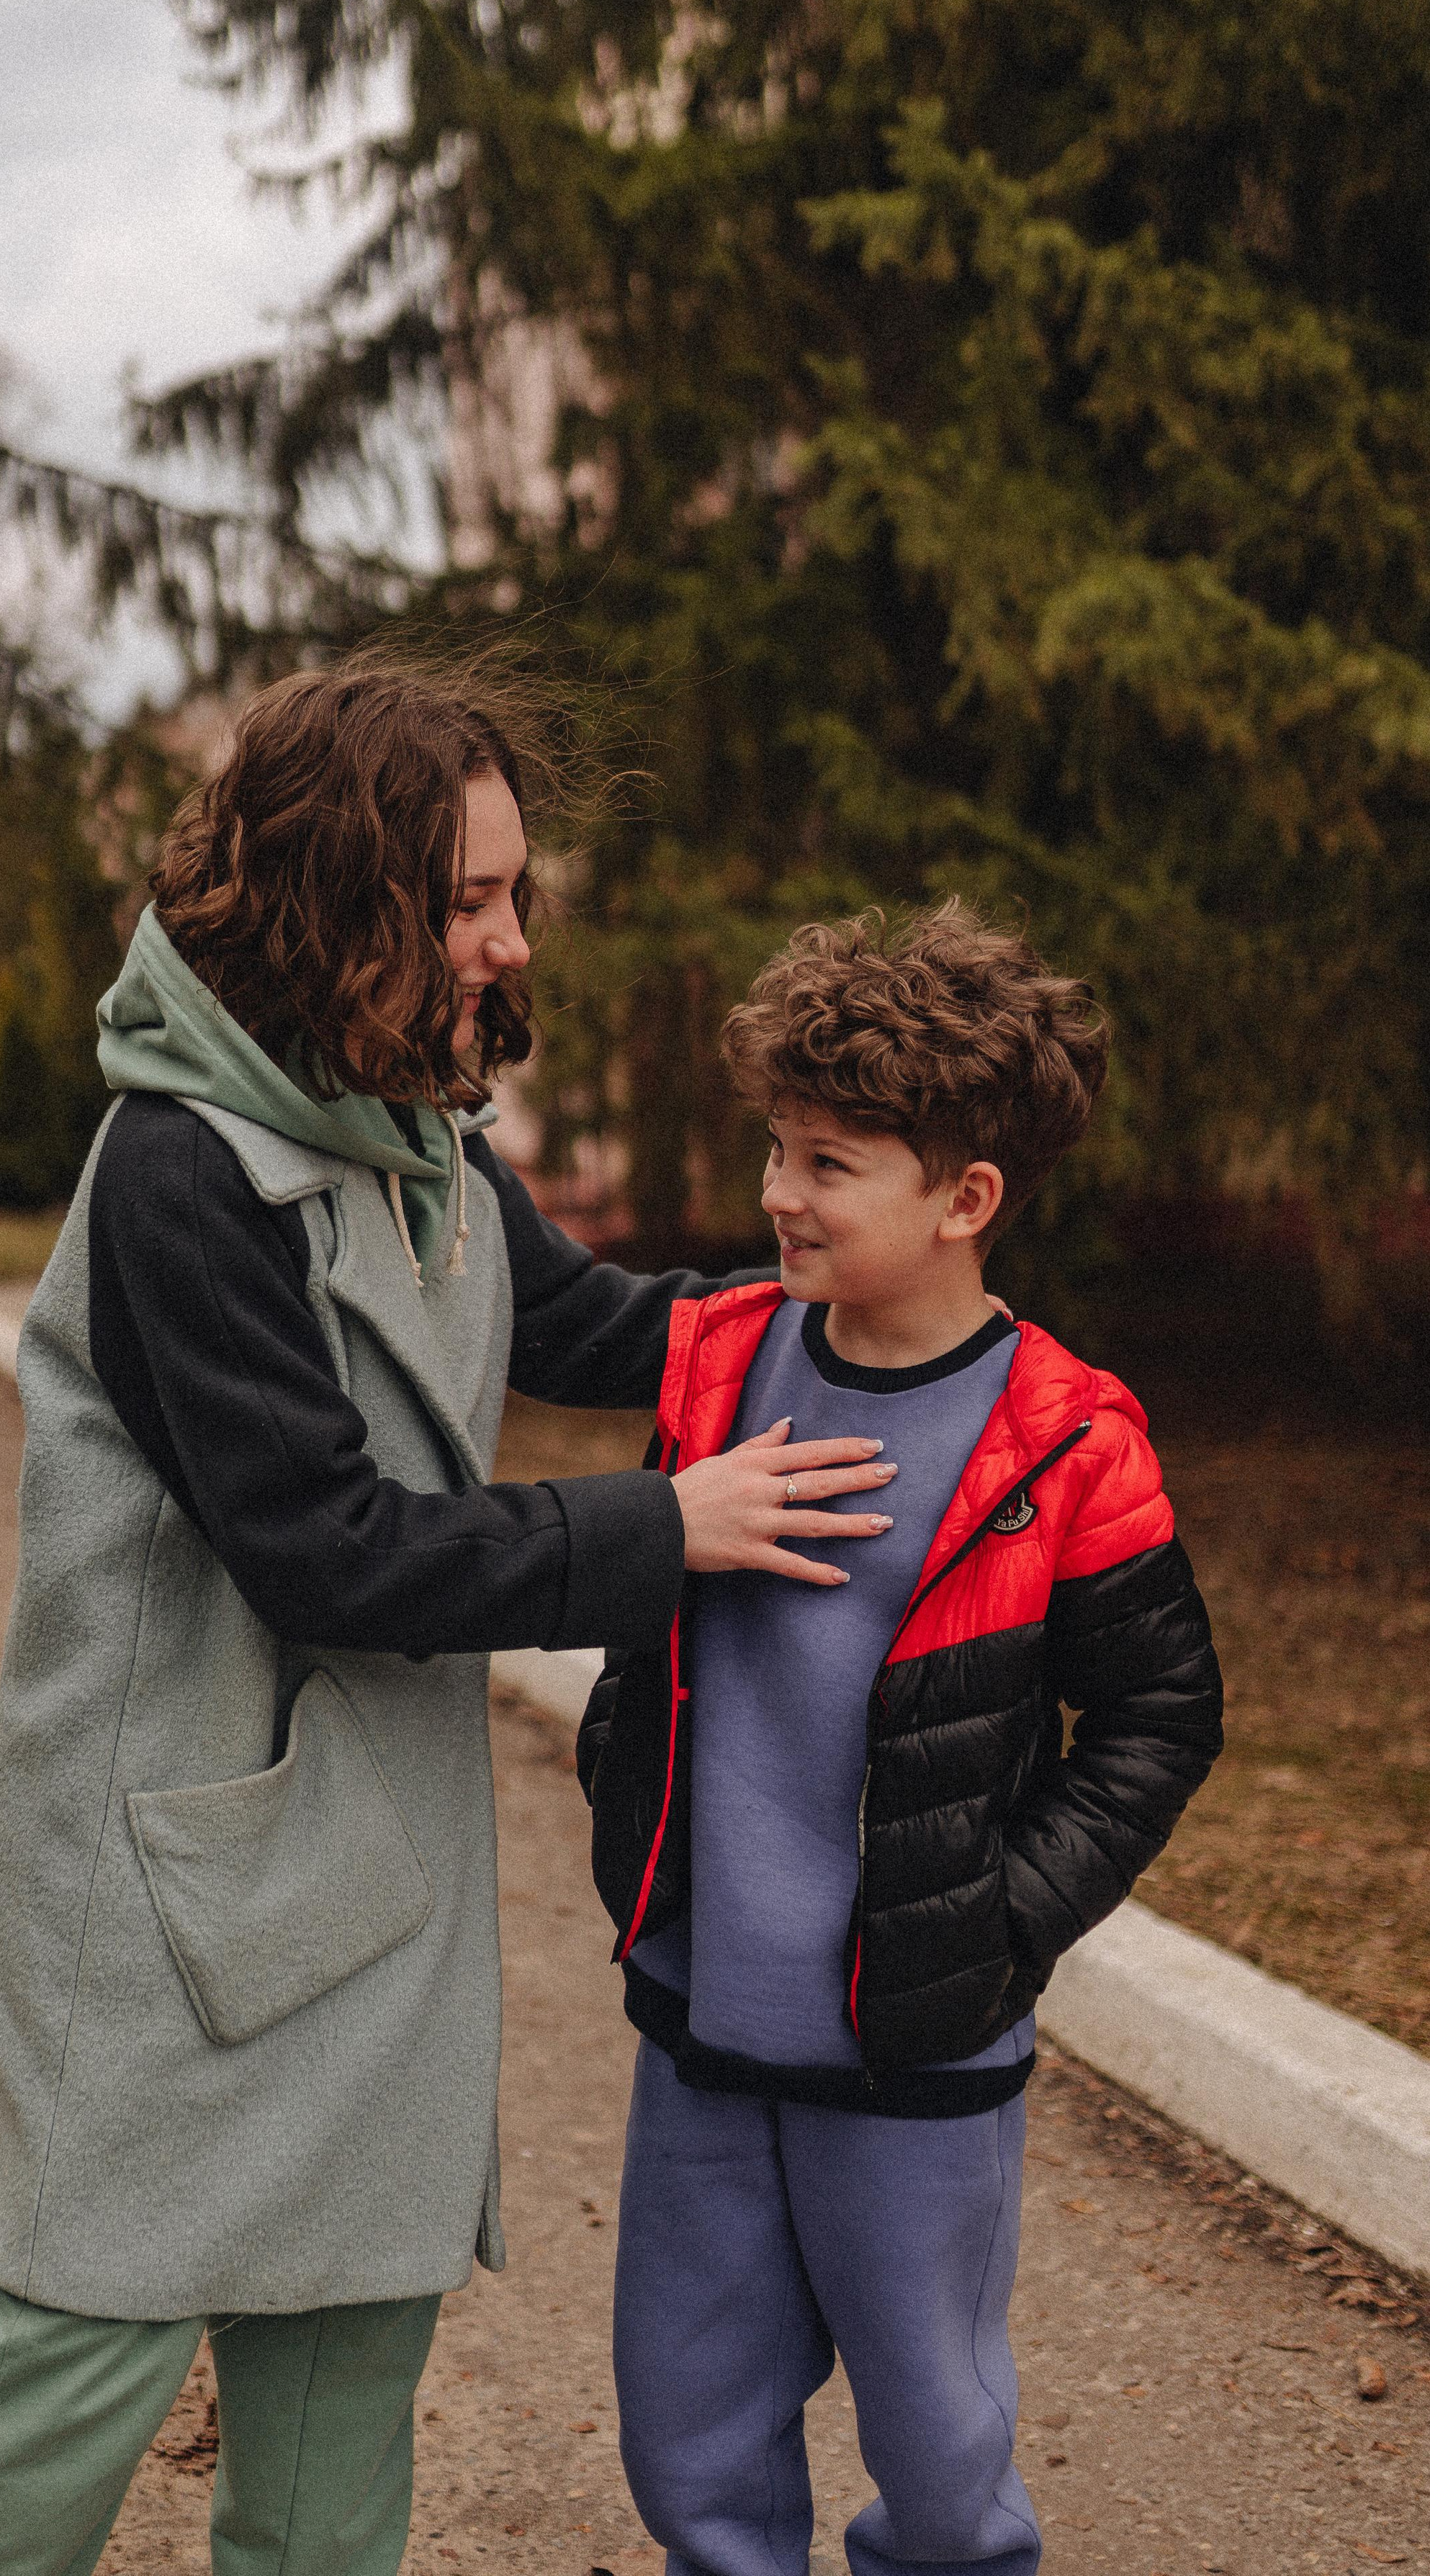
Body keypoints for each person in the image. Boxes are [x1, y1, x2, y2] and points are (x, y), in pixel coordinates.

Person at [0, 661, 902, 2576]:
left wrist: (854, 1321)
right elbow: (328, 1549)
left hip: (366, 1890)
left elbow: (577, 1324)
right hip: (167, 1891)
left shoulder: (411, 1126)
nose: (508, 940)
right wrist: (669, 1526)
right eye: (470, 901)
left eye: (513, 894)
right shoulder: (182, 1168)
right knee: (62, 2350)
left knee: (343, 2375)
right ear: (353, 907)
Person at [580, 902, 1226, 2576]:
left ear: (963, 1200)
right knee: (686, 2434)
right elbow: (656, 1630)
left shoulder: (1065, 1437)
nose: (777, 1192)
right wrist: (620, 1797)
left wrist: (1004, 1917)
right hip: (704, 2022)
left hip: (918, 2054)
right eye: (775, 1149)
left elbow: (1160, 1714)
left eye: (828, 1161)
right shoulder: (718, 1360)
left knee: (939, 2465)